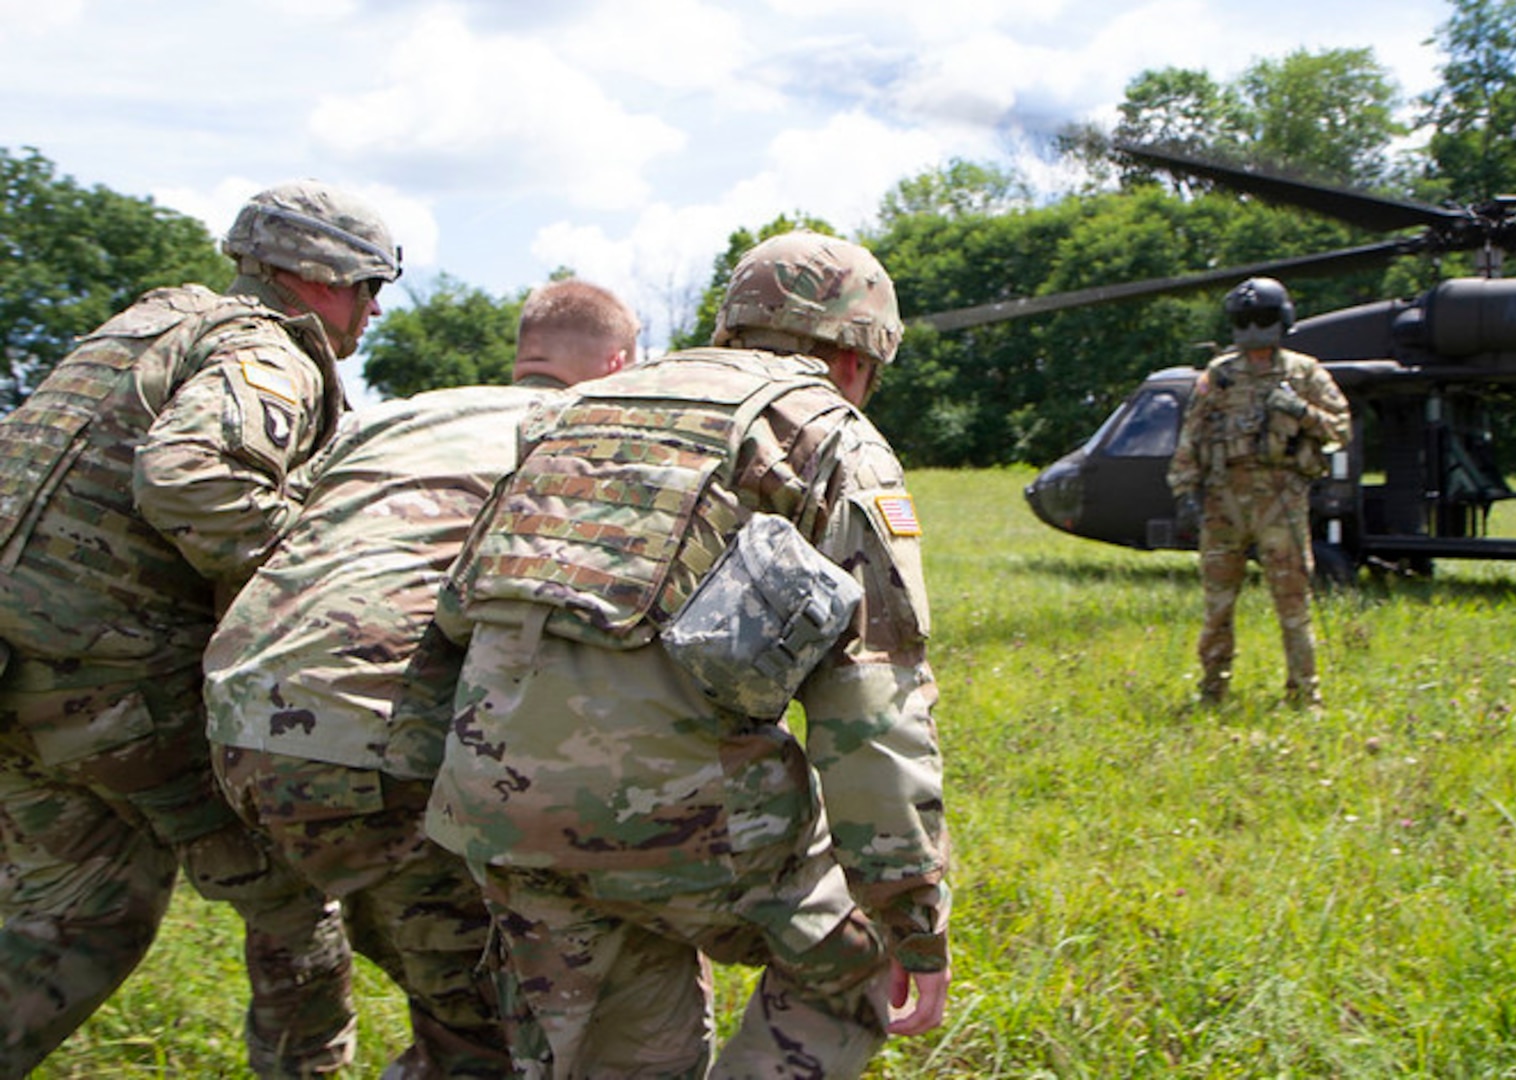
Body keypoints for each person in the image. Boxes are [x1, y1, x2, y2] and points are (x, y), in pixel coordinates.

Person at [423, 232, 950, 1078]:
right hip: (674, 817)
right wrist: (910, 918)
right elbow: (873, 709)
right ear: (858, 360)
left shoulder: (577, 410)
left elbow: (457, 614)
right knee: (850, 968)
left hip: (492, 800)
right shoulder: (828, 435)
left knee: (623, 1052)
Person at [0, 180, 399, 1078]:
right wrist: (324, 570)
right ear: (321, 273)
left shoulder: (148, 324)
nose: (374, 308)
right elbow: (190, 478)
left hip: (25, 676)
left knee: (74, 920)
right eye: (370, 283)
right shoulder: (273, 354)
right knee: (297, 895)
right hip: (115, 684)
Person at [202, 278, 639, 1078]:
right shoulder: (582, 427)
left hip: (241, 723)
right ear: (619, 363)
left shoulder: (397, 416)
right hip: (369, 749)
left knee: (454, 985)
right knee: (503, 1036)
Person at [1167, 276, 1351, 708]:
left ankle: (1305, 695)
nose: (1253, 331)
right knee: (1217, 606)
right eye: (1244, 321)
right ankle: (1213, 689)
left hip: (1281, 502)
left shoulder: (1304, 373)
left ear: (1281, 321)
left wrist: (1301, 411)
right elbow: (1190, 437)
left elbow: (1341, 428)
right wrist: (1184, 494)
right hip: (1222, 502)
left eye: (1262, 319)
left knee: (1293, 606)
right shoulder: (1220, 375)